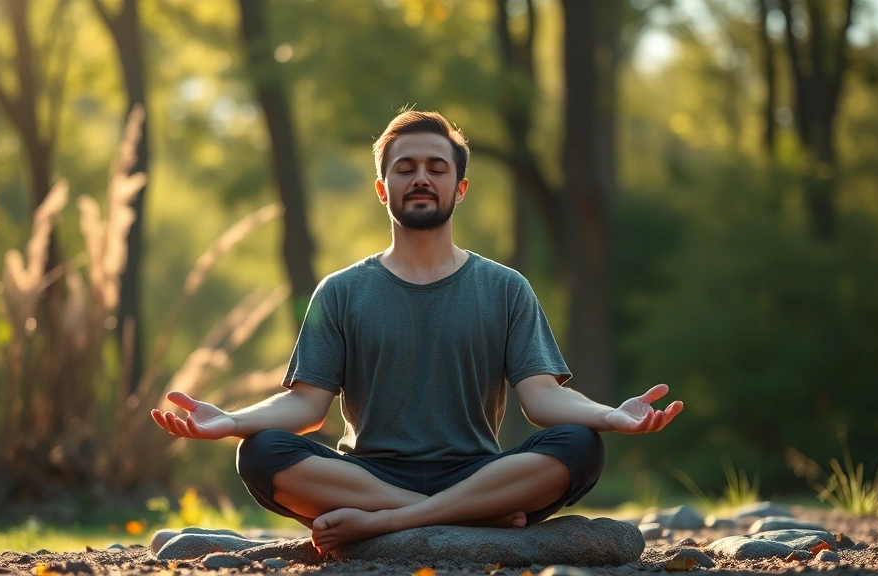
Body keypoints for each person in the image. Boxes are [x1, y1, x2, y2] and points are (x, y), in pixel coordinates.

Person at [151, 110, 683, 554]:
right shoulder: (340, 291)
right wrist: (231, 421)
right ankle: (466, 520)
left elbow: (542, 399)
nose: (421, 178)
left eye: (436, 167)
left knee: (581, 446)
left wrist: (610, 417)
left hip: (477, 473)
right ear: (383, 188)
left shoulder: (505, 288)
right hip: (367, 478)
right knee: (259, 452)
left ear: (461, 186)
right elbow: (307, 407)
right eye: (405, 168)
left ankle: (387, 523)